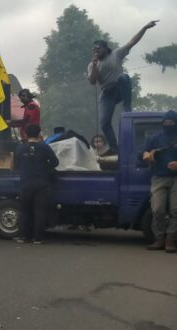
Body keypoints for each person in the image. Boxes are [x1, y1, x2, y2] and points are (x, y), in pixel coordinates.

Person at [88, 21, 158, 153]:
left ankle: (127, 107)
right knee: (104, 123)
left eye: (98, 48)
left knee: (124, 77)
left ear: (104, 48)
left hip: (119, 88)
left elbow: (132, 41)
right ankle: (114, 147)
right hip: (107, 93)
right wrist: (95, 66)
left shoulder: (116, 54)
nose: (96, 51)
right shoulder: (92, 65)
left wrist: (144, 28)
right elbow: (92, 82)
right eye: (94, 49)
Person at [13, 125, 59, 244]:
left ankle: (24, 236)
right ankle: (38, 238)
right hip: (42, 183)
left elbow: (15, 165)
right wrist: (45, 168)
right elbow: (55, 162)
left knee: (25, 210)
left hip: (26, 183)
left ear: (26, 135)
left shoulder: (20, 148)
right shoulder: (45, 147)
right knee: (40, 211)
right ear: (39, 134)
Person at [141, 110, 177, 253]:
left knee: (176, 210)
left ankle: (171, 240)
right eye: (166, 122)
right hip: (159, 177)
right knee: (157, 209)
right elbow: (142, 152)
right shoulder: (155, 138)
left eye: (172, 122)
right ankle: (159, 239)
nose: (168, 124)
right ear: (162, 123)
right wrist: (145, 155)